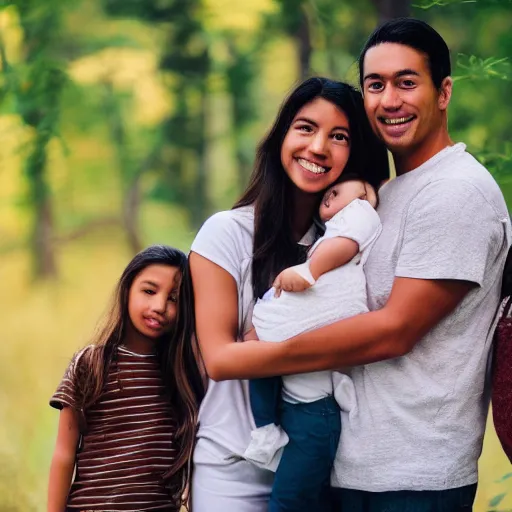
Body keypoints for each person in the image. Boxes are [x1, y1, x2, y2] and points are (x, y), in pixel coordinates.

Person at [192, 18, 512, 511]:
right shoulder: (381, 196)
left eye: (407, 82)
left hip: (414, 476)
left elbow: (394, 330)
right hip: (350, 468)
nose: (389, 100)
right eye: (375, 85)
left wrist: (256, 350)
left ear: (444, 91)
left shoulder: (456, 192)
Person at [189, 77, 389, 511]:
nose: (319, 148)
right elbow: (222, 360)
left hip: (320, 467)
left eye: (339, 137)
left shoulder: (343, 246)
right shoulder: (226, 233)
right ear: (281, 136)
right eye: (305, 127)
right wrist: (343, 346)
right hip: (233, 467)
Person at [244, 177, 381, 511]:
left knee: (288, 500)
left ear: (364, 194)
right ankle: (265, 429)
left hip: (313, 413)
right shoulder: (328, 231)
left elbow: (345, 244)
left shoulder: (359, 215)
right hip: (300, 403)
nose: (329, 193)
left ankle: (265, 431)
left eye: (345, 187)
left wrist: (309, 271)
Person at [47, 245, 205, 512]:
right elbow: (64, 454)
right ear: (127, 289)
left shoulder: (184, 372)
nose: (159, 306)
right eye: (149, 291)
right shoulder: (91, 363)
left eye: (174, 299)